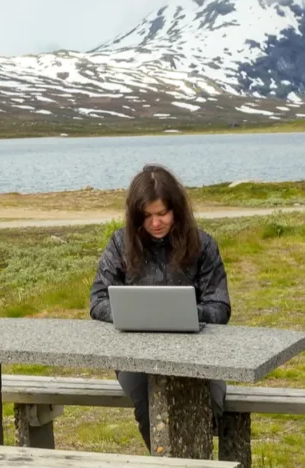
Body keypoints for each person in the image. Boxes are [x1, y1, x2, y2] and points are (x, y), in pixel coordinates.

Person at [89, 163, 232, 450]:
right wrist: (130, 315)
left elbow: (220, 307)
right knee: (151, 409)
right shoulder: (119, 244)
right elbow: (98, 300)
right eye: (147, 216)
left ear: (176, 210)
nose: (155, 223)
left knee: (210, 406)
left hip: (197, 352)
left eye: (162, 213)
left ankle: (195, 466)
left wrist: (189, 315)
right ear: (136, 216)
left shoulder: (203, 245)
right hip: (134, 356)